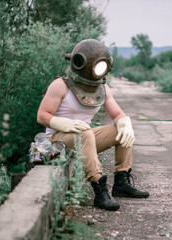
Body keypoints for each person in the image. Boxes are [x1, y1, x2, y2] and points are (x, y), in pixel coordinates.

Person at [37, 39, 149, 211]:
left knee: (119, 131)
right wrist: (63, 123)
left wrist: (125, 124)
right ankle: (99, 189)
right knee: (86, 133)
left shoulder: (102, 89)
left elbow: (118, 114)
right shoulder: (61, 85)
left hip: (83, 136)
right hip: (57, 140)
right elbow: (42, 116)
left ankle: (121, 182)